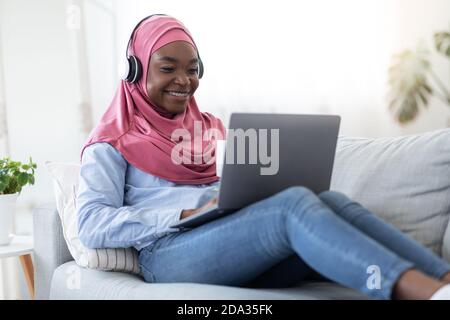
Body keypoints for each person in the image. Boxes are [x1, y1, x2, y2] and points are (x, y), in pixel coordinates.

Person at [76, 14, 450, 300]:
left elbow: (235, 191)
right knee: (292, 207)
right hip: (166, 254)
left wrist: (239, 198)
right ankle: (423, 292)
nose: (183, 80)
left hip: (231, 242)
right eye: (167, 68)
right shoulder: (110, 140)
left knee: (330, 200)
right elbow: (91, 223)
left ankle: (443, 278)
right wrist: (183, 214)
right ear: (136, 70)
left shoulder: (211, 127)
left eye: (192, 70)